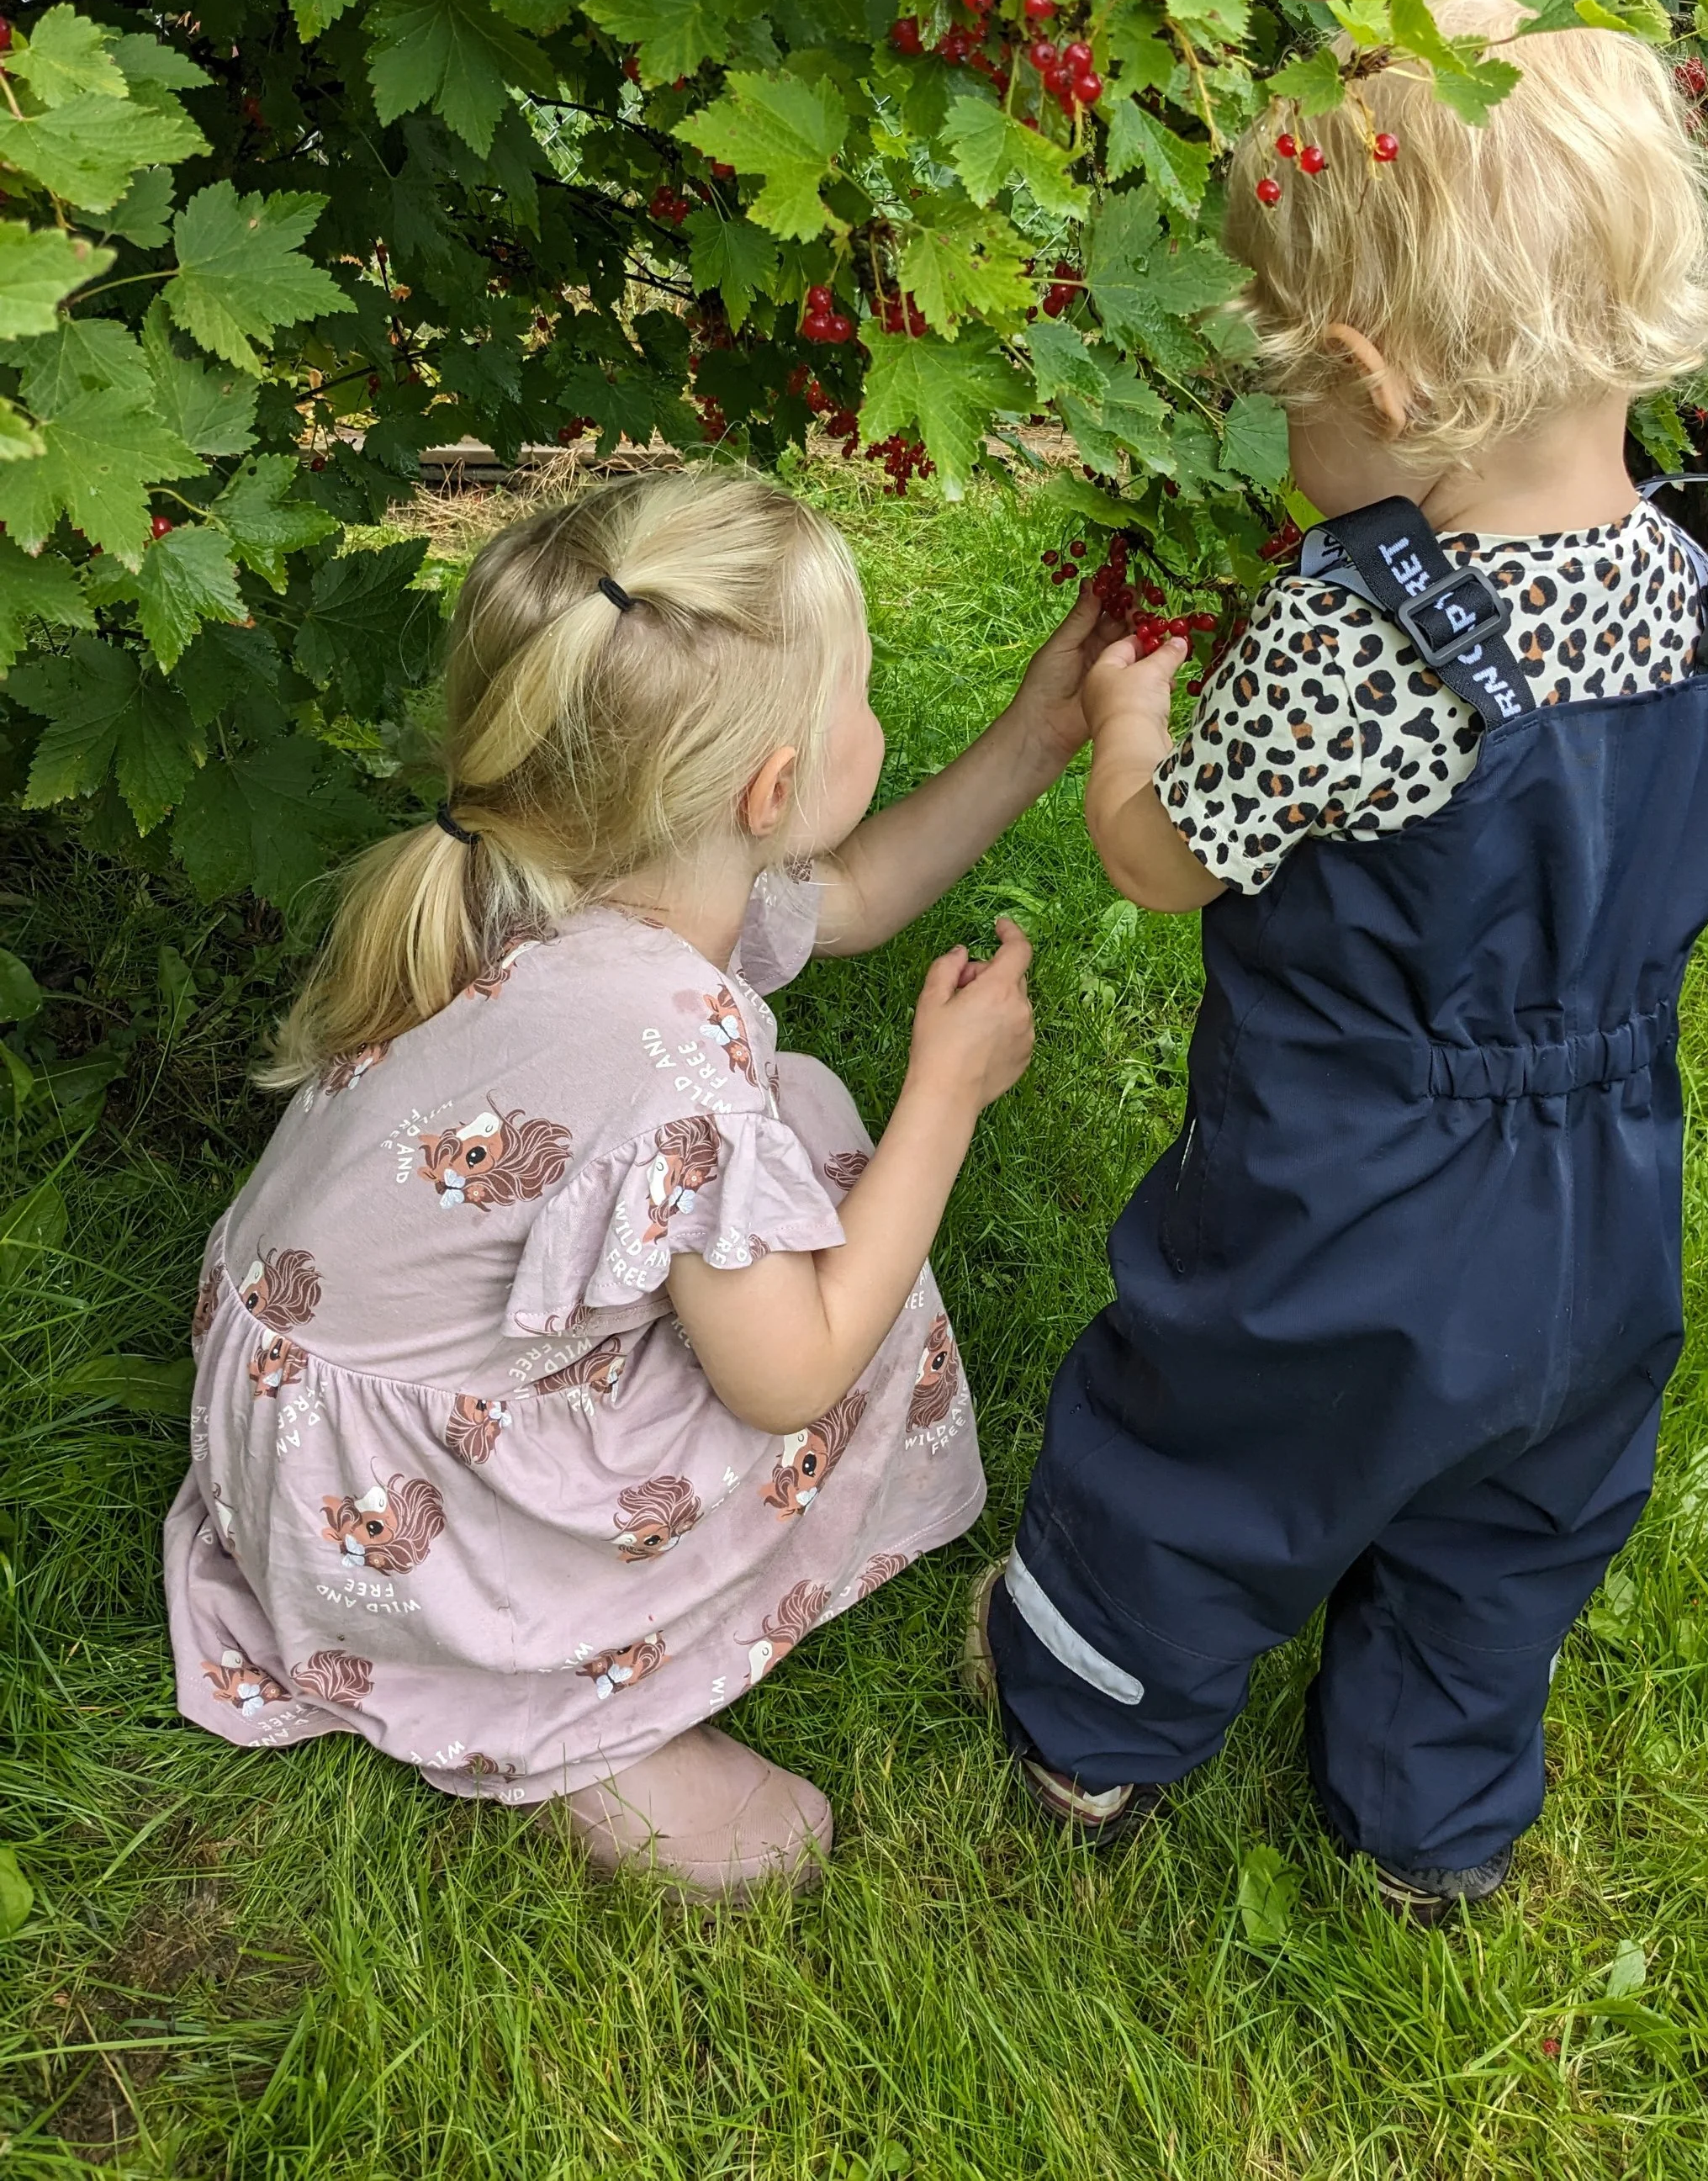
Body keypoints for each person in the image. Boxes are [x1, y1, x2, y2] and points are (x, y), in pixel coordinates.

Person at [969, 0, 1708, 1924]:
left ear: (1364, 372)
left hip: (1346, 1199)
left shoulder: (1364, 641)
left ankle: (1090, 1724)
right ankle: (1426, 1823)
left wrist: (1128, 728)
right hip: (1602, 1203)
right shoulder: (1689, 579)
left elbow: (1160, 865)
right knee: (1513, 1516)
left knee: (1212, 1447)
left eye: (1282, 381)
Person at [169, 465, 1100, 1902]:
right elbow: (790, 1375)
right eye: (859, 694)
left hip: (292, 1410)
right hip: (390, 1526)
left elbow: (850, 899)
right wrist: (946, 1100)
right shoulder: (665, 1052)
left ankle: (511, 1641)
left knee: (801, 1112)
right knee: (853, 1246)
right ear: (772, 790)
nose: (870, 713)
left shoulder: (551, 868)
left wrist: (1037, 736)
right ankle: (555, 1706)